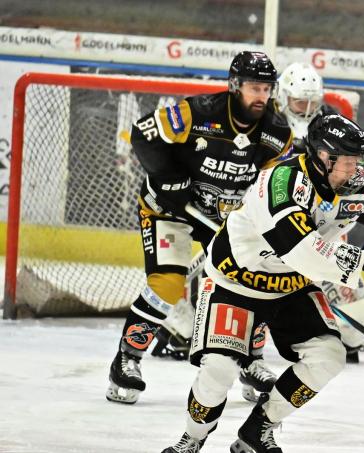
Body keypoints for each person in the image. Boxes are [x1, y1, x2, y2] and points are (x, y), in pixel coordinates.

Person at [161, 113, 364, 453]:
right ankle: (191, 439)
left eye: (358, 160)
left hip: (291, 286)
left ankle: (259, 429)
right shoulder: (282, 183)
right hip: (235, 282)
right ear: (323, 157)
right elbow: (302, 251)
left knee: (328, 355)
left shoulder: (353, 180)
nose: (356, 169)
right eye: (347, 161)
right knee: (219, 370)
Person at [105, 51, 293, 405]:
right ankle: (127, 359)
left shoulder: (276, 133)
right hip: (169, 209)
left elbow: (273, 184)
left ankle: (250, 360)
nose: (262, 97)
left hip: (222, 220)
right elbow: (142, 135)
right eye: (255, 87)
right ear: (234, 86)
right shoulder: (198, 112)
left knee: (255, 281)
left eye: (267, 89)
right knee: (167, 284)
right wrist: (167, 178)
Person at [277, 62, 364, 362]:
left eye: (313, 101)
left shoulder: (327, 122)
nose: (307, 108)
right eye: (300, 101)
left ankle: (340, 329)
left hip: (325, 221)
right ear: (284, 97)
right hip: (286, 218)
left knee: (357, 324)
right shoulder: (271, 126)